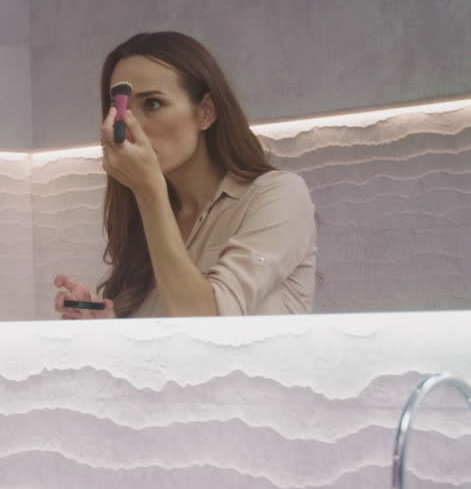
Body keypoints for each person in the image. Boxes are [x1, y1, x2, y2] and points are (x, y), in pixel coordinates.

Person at [54, 31, 316, 319]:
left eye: (153, 104)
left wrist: (148, 192)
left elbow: (206, 323)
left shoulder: (279, 195)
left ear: (205, 112)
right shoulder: (150, 215)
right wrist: (106, 321)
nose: (131, 124)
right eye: (121, 109)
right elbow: (164, 346)